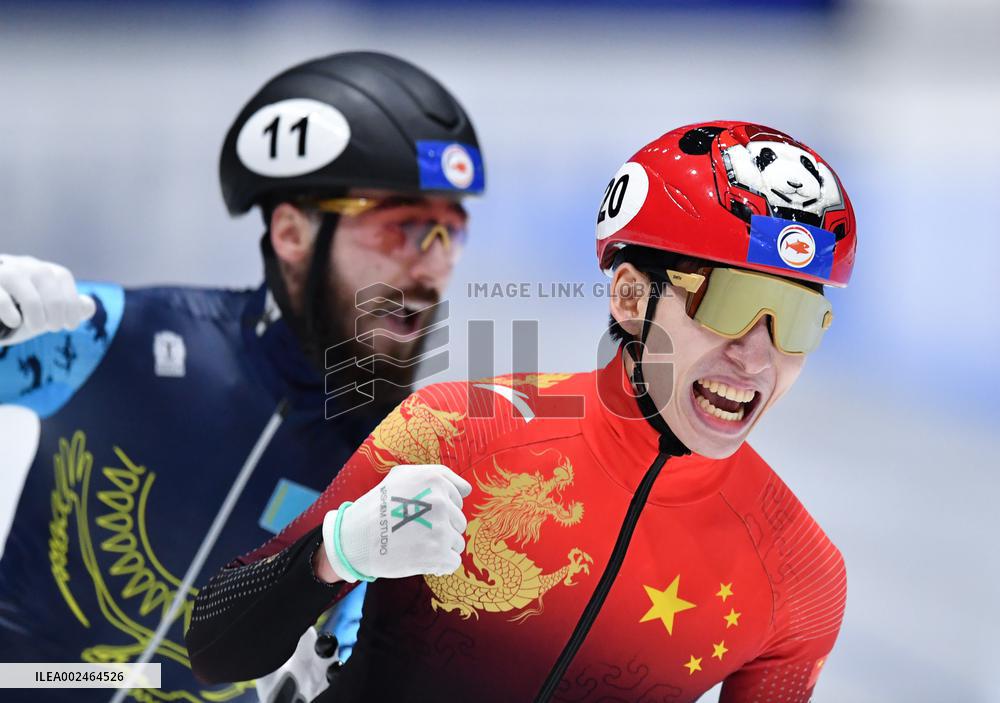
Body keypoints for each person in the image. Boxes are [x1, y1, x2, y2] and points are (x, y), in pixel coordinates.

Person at [186, 120, 856, 703]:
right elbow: (215, 647)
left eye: (797, 319)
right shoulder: (458, 429)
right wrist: (340, 548)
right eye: (728, 303)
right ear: (628, 297)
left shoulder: (800, 575)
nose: (756, 357)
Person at [0, 51, 485, 703]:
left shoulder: (391, 470)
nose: (431, 270)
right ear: (291, 232)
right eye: (404, 228)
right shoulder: (124, 338)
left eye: (449, 234)